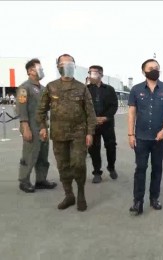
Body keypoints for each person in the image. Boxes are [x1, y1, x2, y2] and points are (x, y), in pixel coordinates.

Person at [36, 54, 96, 211]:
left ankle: (81, 193)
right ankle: (69, 195)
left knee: (78, 164)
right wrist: (42, 127)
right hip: (58, 133)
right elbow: (41, 110)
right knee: (63, 166)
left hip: (79, 133)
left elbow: (90, 112)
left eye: (71, 63)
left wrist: (90, 132)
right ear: (58, 67)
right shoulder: (51, 87)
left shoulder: (82, 87)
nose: (68, 66)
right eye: (65, 63)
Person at [127, 59, 163, 216]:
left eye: (157, 68)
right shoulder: (136, 90)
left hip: (159, 138)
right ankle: (138, 201)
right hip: (141, 137)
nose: (154, 70)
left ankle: (154, 198)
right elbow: (132, 113)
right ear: (144, 71)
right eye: (151, 68)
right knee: (140, 169)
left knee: (157, 168)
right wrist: (130, 134)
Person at [16, 58, 56, 193]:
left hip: (43, 126)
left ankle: (41, 180)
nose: (41, 71)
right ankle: (24, 180)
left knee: (43, 155)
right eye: (39, 68)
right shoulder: (24, 87)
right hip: (31, 126)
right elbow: (22, 108)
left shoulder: (44, 89)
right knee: (30, 154)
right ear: (30, 71)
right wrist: (25, 127)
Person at [87, 65, 119, 183]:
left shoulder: (109, 89)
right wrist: (93, 118)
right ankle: (96, 172)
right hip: (92, 124)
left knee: (111, 147)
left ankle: (111, 167)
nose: (92, 75)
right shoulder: (86, 89)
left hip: (107, 124)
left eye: (95, 73)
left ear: (101, 75)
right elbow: (84, 106)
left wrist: (106, 117)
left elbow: (114, 105)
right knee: (94, 148)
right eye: (90, 73)